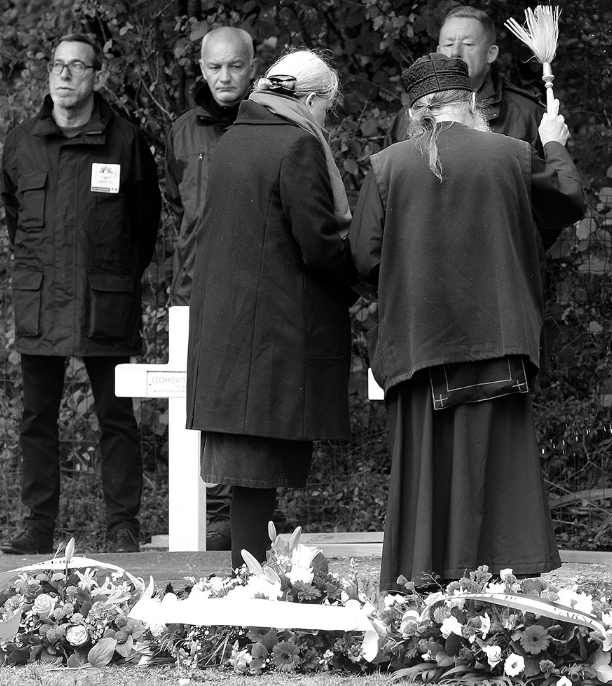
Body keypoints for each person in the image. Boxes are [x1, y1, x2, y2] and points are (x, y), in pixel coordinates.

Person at [352, 53, 586, 591]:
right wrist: (553, 142)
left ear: (414, 113)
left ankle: (424, 588)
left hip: (419, 344)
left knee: (426, 473)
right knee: (500, 471)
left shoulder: (387, 165)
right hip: (500, 340)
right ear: (472, 104)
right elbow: (566, 202)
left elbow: (364, 258)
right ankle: (502, 590)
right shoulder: (511, 154)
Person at [186, 49, 361, 571]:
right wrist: (365, 275)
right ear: (308, 99)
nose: (323, 119)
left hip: (229, 328)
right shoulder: (295, 145)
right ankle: (252, 591)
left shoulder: (233, 139)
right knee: (257, 468)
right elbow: (319, 242)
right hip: (273, 333)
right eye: (325, 107)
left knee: (248, 476)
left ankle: (250, 581)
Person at [0, 33, 159, 554]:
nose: (65, 76)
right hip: (42, 301)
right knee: (36, 419)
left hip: (104, 300)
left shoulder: (126, 142)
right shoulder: (22, 142)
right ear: (49, 75)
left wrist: (111, 270)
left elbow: (144, 226)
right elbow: (15, 220)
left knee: (116, 417)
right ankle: (37, 525)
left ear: (97, 77)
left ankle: (122, 525)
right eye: (57, 66)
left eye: (77, 67)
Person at [164, 26, 255, 552]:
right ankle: (210, 509)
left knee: (247, 401)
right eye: (215, 66)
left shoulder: (270, 124)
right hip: (197, 284)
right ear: (201, 68)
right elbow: (182, 208)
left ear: (251, 67)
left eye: (235, 66)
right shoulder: (182, 131)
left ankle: (243, 509)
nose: (225, 77)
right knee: (204, 401)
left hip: (254, 284)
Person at [386, 5, 544, 148]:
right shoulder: (412, 115)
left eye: (468, 44)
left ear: (491, 53)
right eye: (448, 45)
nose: (455, 53)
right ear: (438, 50)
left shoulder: (526, 114)